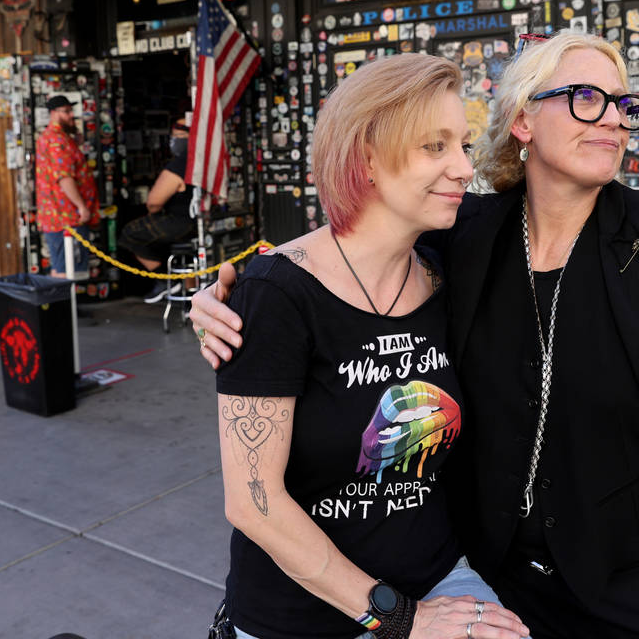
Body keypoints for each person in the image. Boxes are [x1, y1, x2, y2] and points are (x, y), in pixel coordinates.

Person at [192, 32, 639, 639]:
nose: (614, 119)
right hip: (486, 577)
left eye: (625, 105)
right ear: (522, 120)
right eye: (587, 97)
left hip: (624, 584)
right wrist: (239, 295)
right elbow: (355, 247)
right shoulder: (464, 239)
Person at [207, 53, 528, 639]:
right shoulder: (277, 294)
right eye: (435, 147)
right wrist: (400, 619)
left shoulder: (444, 274)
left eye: (463, 144)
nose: (463, 167)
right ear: (367, 160)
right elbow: (253, 503)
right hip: (303, 614)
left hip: (437, 580)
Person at [118, 115, 198, 303]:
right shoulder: (202, 160)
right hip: (199, 223)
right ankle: (188, 291)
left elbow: (154, 202)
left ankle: (166, 280)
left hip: (180, 222)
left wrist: (152, 212)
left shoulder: (179, 164)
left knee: (130, 234)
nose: (173, 141)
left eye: (177, 136)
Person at [36, 95, 99, 278]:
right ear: (53, 113)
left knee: (61, 268)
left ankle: (64, 306)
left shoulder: (57, 137)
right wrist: (81, 206)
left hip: (58, 216)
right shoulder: (57, 140)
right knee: (66, 271)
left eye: (71, 110)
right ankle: (66, 307)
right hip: (66, 217)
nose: (72, 115)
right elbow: (64, 178)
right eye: (67, 111)